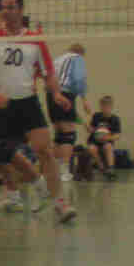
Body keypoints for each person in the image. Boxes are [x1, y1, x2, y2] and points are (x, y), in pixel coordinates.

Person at [0, 0, 76, 222]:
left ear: (21, 10)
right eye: (4, 7)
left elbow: (48, 72)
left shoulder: (35, 40)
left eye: (11, 7)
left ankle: (60, 203)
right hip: (0, 104)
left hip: (27, 102)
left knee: (45, 150)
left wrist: (56, 93)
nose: (6, 11)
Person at [50, 44, 91, 182]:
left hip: (51, 94)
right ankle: (64, 172)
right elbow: (79, 79)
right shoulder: (77, 58)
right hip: (65, 93)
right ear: (81, 53)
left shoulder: (57, 60)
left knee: (59, 135)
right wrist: (84, 99)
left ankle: (53, 171)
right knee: (69, 134)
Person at [86, 95, 122, 180]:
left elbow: (117, 135)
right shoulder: (96, 116)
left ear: (111, 106)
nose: (105, 107)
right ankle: (101, 167)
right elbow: (91, 129)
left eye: (107, 105)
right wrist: (89, 128)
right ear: (100, 106)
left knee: (108, 146)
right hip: (94, 141)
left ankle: (111, 169)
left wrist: (107, 138)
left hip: (106, 141)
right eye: (103, 105)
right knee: (91, 148)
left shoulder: (115, 119)